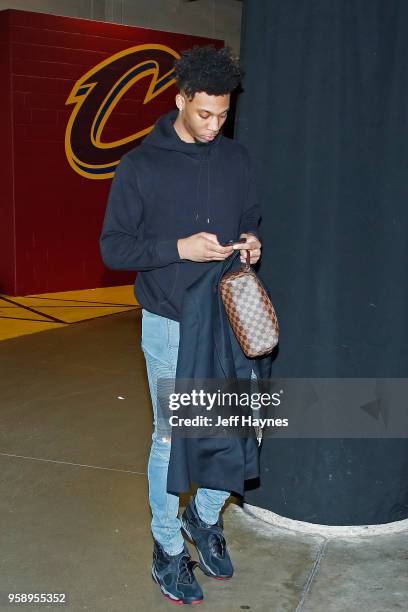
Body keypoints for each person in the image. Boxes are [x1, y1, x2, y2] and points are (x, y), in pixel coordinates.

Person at [100, 45, 262, 605]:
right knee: (172, 440)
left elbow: (250, 220)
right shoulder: (141, 165)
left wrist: (251, 244)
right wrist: (179, 248)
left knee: (234, 431)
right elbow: (114, 248)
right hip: (170, 324)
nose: (215, 125)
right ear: (179, 100)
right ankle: (167, 548)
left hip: (228, 324)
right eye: (204, 114)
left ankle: (204, 517)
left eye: (223, 115)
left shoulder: (238, 160)